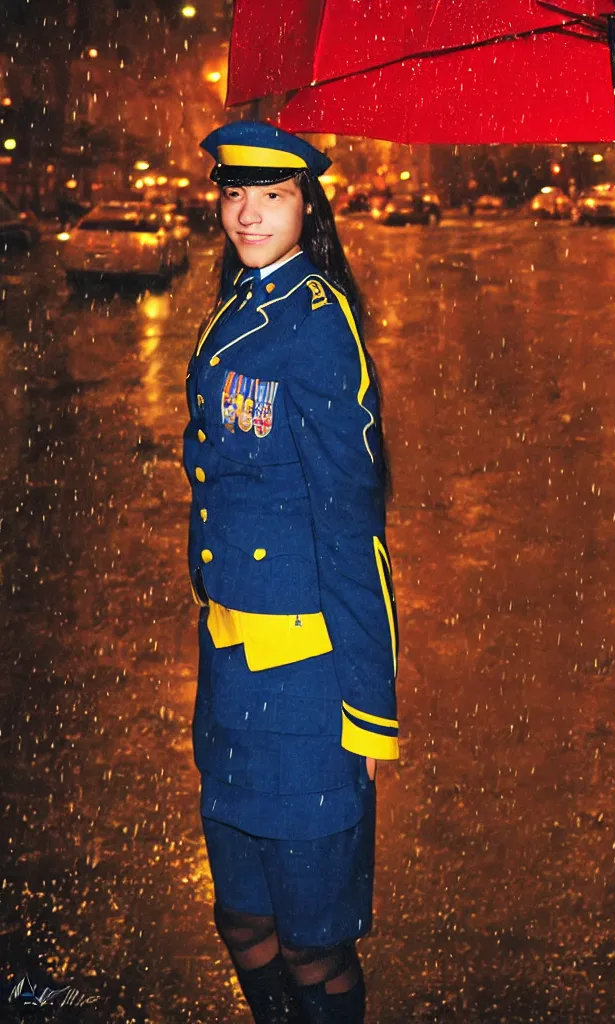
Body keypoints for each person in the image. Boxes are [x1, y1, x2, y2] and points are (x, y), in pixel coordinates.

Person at [184, 120, 399, 1024]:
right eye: (235, 193)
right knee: (242, 915)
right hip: (231, 668)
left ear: (309, 209)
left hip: (307, 683)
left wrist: (368, 704)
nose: (248, 212)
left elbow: (353, 524)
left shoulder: (315, 325)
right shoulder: (237, 303)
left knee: (315, 942)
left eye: (272, 196)